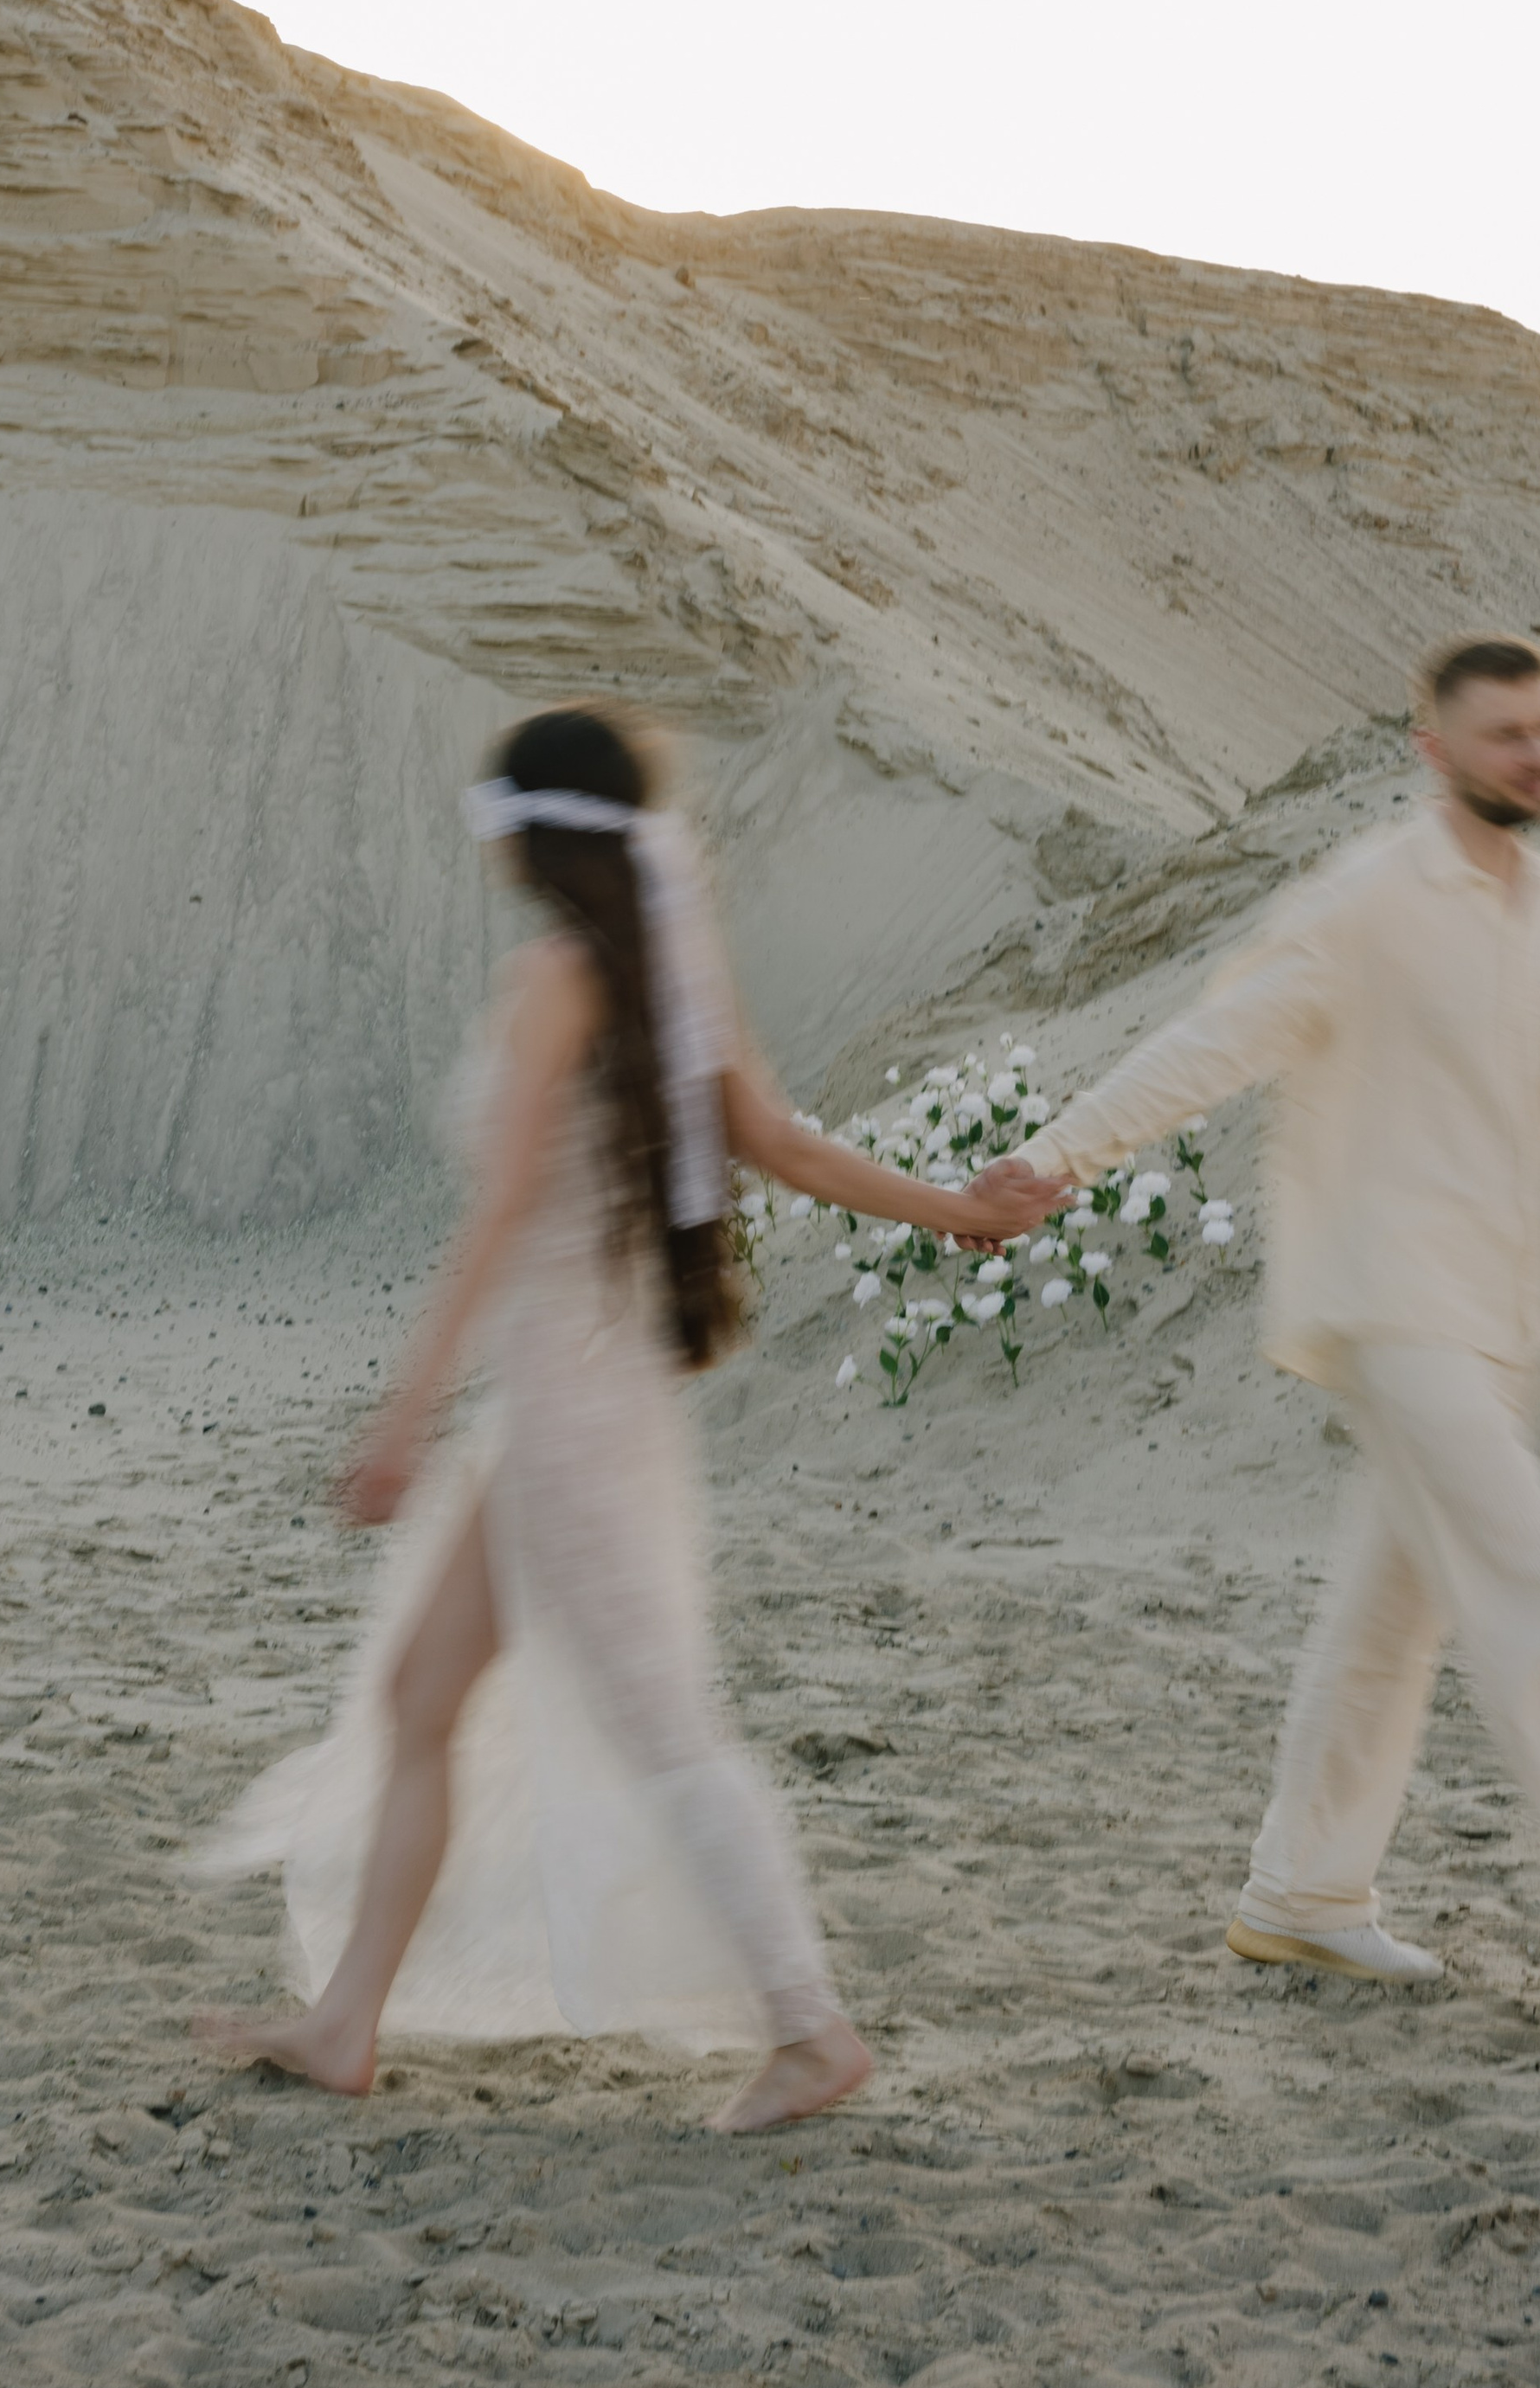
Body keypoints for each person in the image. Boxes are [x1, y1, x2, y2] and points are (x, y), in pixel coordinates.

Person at [195, 703, 1049, 2129]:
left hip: (565, 1415)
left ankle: (810, 2028)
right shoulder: (659, 965)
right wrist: (954, 1211)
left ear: (534, 836)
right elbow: (778, 1144)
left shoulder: (557, 977)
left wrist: (404, 1414)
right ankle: (346, 2021)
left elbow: (499, 1213)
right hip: (579, 1404)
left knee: (664, 1722)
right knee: (420, 1698)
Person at [972, 635, 1540, 2046]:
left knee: (1394, 1614)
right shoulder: (1369, 898)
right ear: (1433, 750)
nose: (1539, 755)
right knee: (1533, 1583)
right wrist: (1059, 1155)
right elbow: (1218, 1040)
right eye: (1506, 733)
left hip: (1504, 1318)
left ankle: (1305, 1893)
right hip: (1393, 1305)